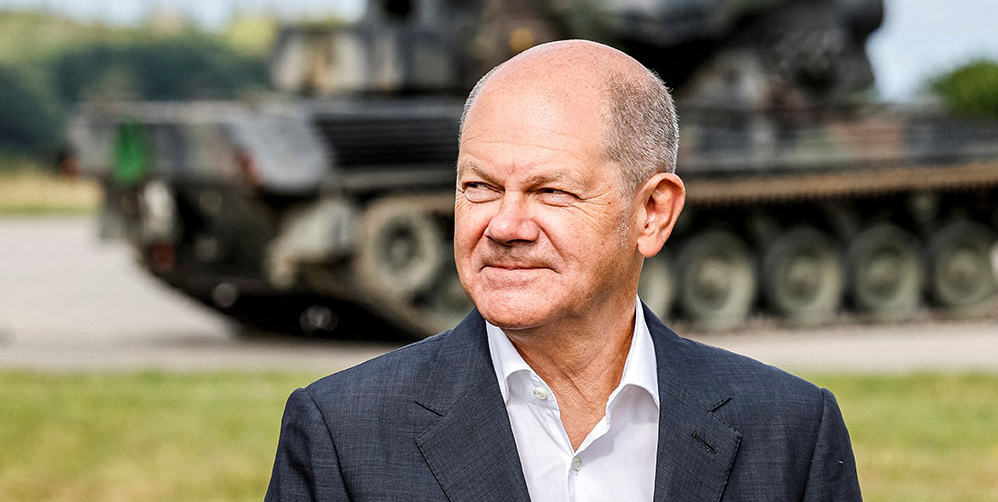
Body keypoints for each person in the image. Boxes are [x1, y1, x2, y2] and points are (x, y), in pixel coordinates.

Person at [266, 39, 862, 501]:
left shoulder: (790, 435)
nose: (504, 225)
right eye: (479, 186)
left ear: (652, 213)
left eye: (550, 192)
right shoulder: (343, 436)